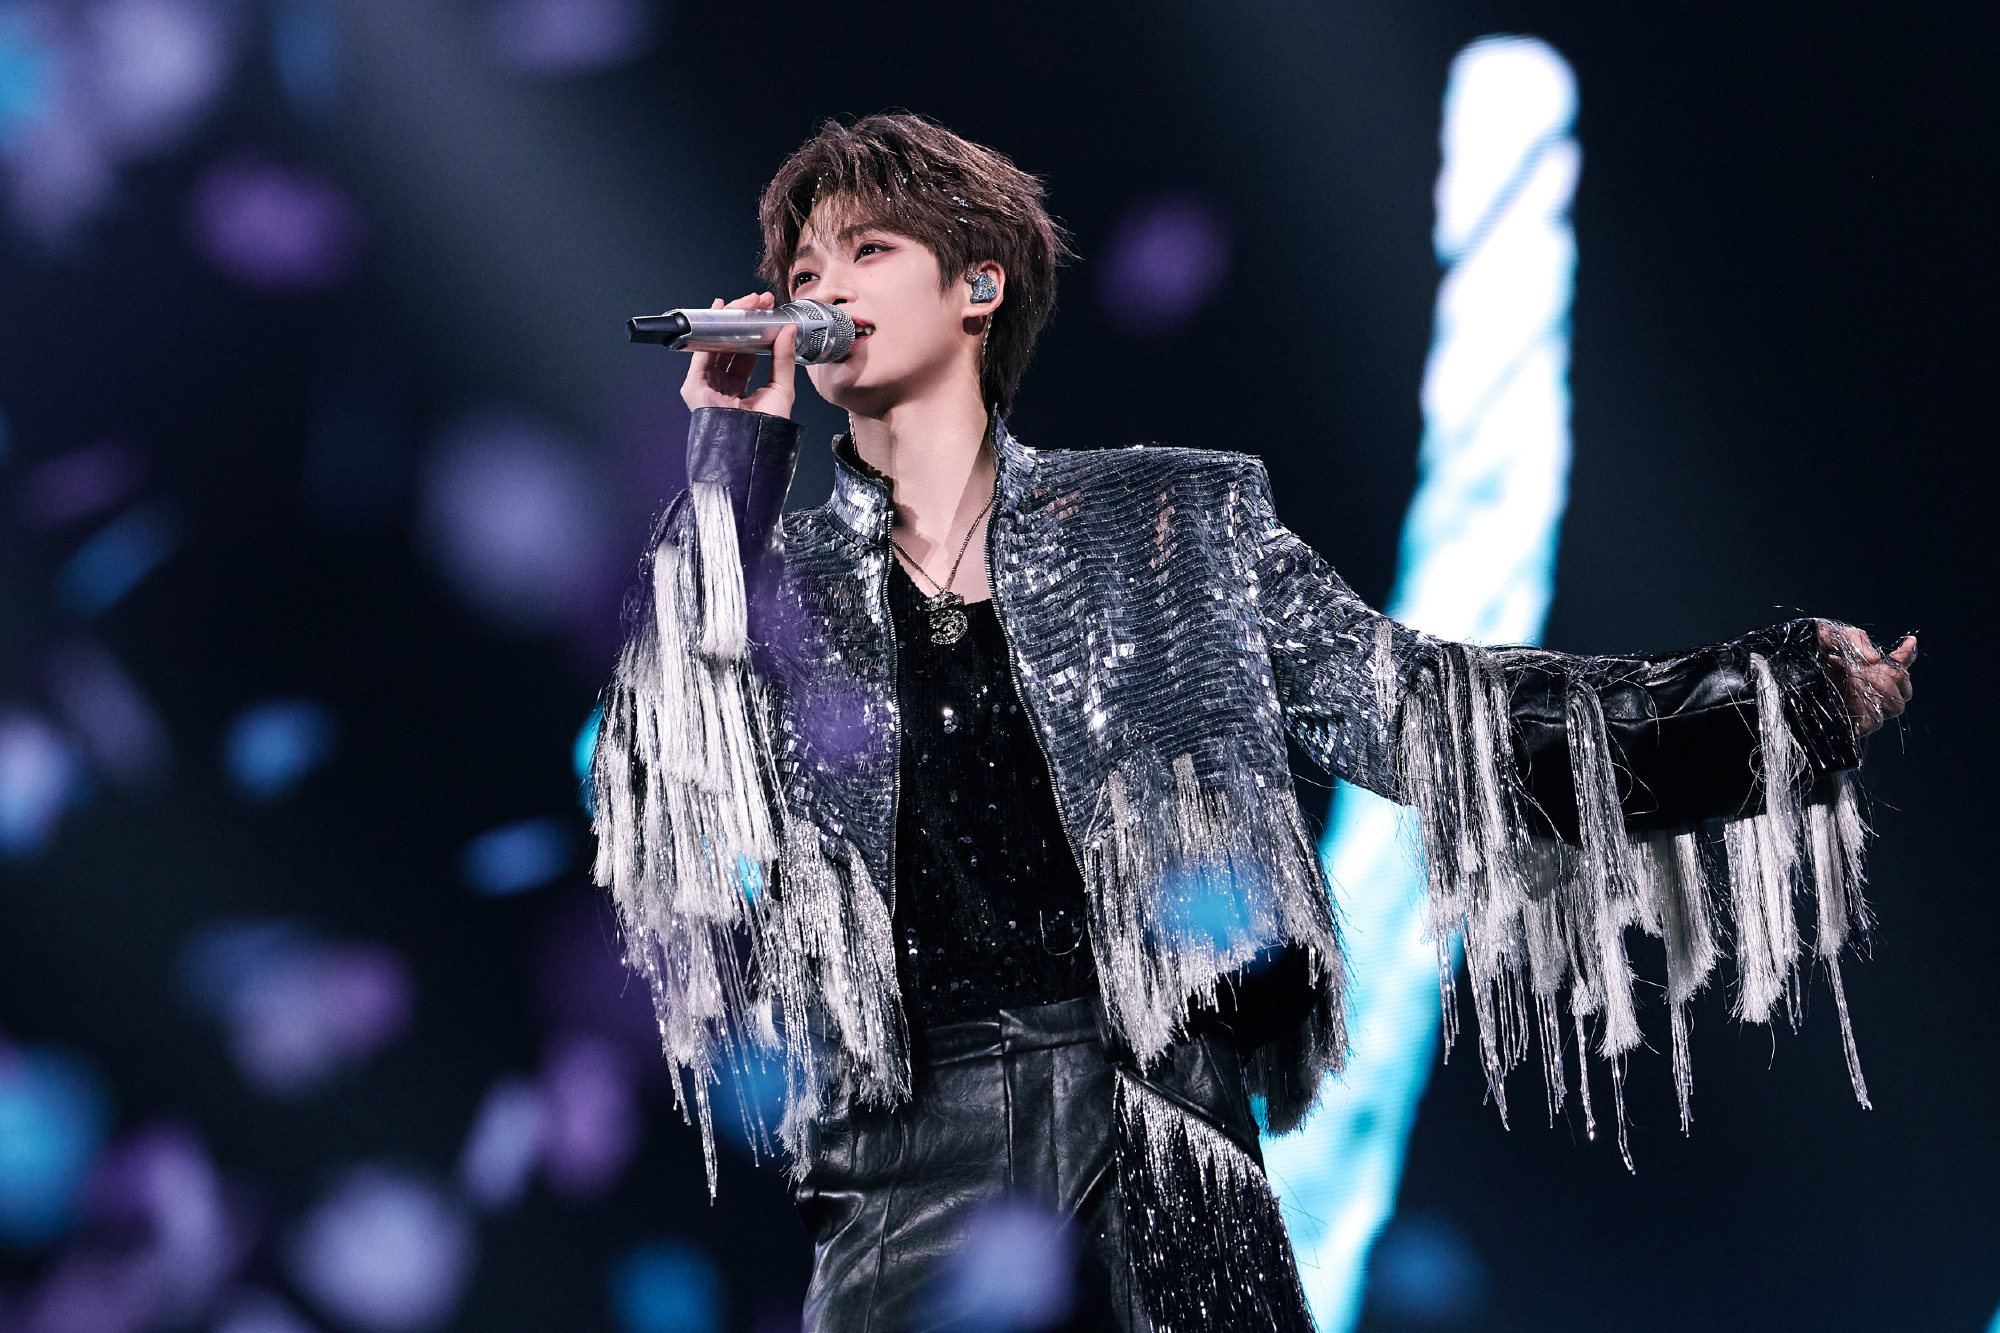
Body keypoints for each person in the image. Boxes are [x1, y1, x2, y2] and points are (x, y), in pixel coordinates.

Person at [590, 114, 1916, 1333]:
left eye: (865, 250)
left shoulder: (1170, 523)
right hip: (909, 1171)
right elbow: (658, 792)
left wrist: (1769, 705)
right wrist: (729, 464)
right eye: (803, 268)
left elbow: (1432, 717)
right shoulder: (779, 592)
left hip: (1167, 1143)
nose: (822, 289)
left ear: (977, 285)